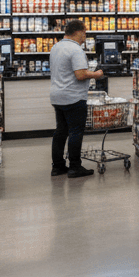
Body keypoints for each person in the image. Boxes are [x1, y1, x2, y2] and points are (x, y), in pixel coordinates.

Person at [49, 20, 104, 178]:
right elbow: (80, 74)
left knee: (60, 132)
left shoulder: (56, 47)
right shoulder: (75, 49)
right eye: (84, 33)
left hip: (57, 95)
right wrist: (97, 74)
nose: (85, 37)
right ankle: (75, 167)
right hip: (73, 97)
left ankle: (58, 166)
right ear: (78, 31)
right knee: (75, 132)